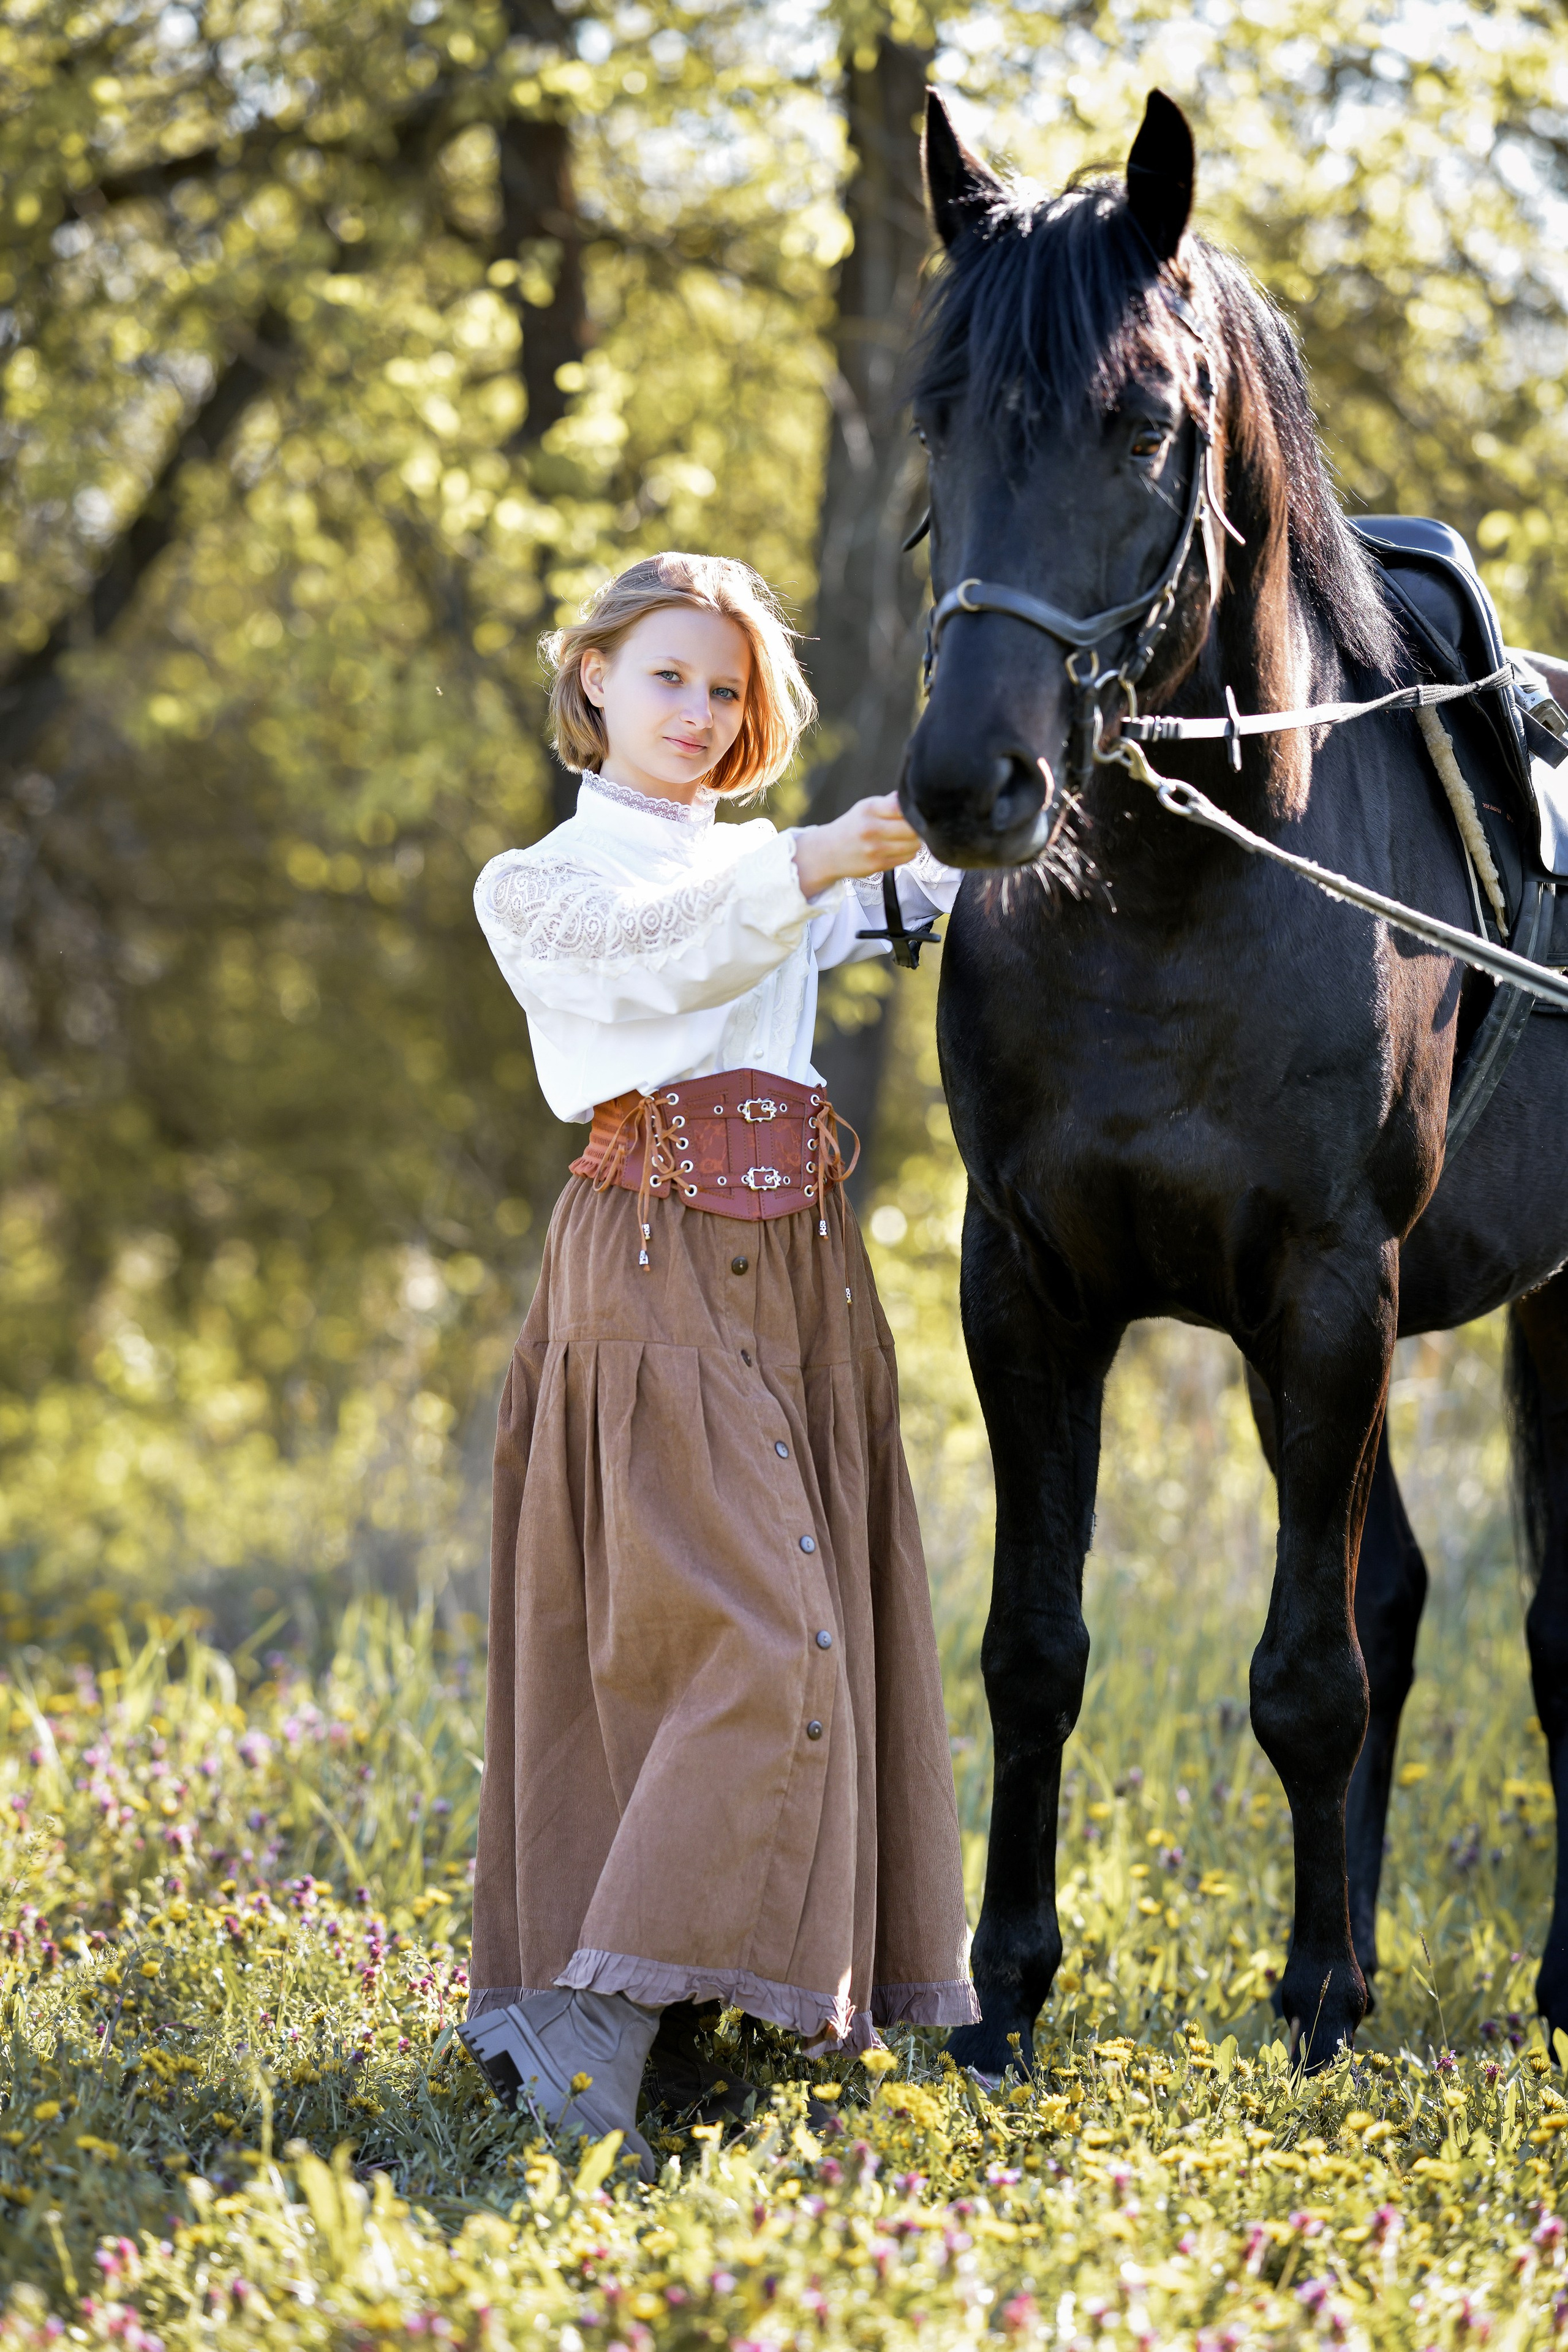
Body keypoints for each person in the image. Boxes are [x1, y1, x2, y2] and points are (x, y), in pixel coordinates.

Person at [460, 550, 975, 2176]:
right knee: (761, 1637)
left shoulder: (766, 868)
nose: (699, 712)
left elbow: (934, 890)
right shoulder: (539, 884)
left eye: (728, 689)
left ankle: (708, 2009)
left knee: (794, 1633)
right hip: (648, 1267)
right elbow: (652, 961)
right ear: (595, 677)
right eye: (669, 676)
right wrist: (815, 859)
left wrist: (1006, 783)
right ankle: (586, 2019)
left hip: (801, 1276)